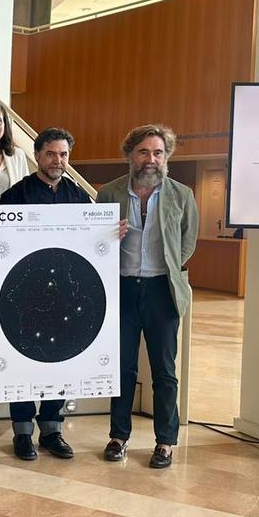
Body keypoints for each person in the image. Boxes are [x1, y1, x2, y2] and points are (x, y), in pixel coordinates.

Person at [95, 124, 198, 469]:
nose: (151, 159)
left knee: (164, 371)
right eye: (143, 152)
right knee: (121, 368)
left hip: (161, 290)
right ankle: (118, 436)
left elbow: (187, 242)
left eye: (158, 152)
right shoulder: (108, 193)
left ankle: (165, 441)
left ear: (166, 157)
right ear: (130, 156)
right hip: (121, 288)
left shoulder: (182, 195)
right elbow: (95, 242)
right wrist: (109, 237)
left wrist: (168, 267)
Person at [0, 128, 93, 461]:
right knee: (24, 361)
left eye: (63, 155)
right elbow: (0, 241)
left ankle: (52, 429)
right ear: (37, 156)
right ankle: (23, 432)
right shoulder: (15, 196)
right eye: (51, 154)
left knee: (61, 359)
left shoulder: (79, 198)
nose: (57, 160)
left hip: (66, 295)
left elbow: (90, 241)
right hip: (27, 295)